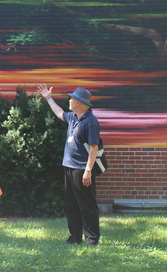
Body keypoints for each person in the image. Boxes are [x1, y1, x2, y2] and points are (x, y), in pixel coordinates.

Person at [37, 84, 101, 246]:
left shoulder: (90, 122)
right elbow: (59, 113)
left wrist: (88, 171)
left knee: (87, 205)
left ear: (79, 103)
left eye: (72, 99)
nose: (70, 101)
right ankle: (75, 237)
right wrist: (48, 98)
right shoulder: (73, 117)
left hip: (82, 170)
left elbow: (94, 148)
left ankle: (92, 239)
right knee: (72, 205)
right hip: (69, 168)